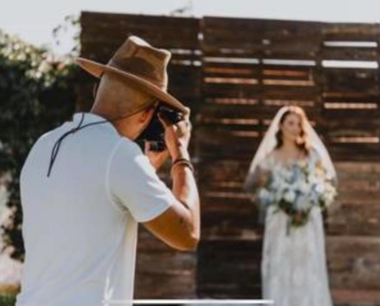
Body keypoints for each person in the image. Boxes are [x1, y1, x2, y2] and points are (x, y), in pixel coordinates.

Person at [15, 36, 200, 306]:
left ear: (97, 90)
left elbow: (95, 203)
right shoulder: (120, 156)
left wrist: (147, 166)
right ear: (147, 115)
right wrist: (180, 154)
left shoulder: (45, 144)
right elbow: (187, 234)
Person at [244, 105, 337, 306]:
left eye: (298, 123)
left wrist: (312, 196)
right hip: (280, 219)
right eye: (290, 123)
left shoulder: (311, 154)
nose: (295, 128)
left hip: (308, 219)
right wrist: (279, 197)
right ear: (281, 127)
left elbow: (325, 181)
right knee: (281, 263)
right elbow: (255, 186)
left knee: (308, 263)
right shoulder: (271, 157)